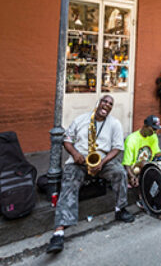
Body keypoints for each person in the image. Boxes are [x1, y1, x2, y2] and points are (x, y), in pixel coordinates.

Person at [46, 96, 133, 254]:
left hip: (102, 162)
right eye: (104, 101)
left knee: (120, 173)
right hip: (79, 162)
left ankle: (121, 209)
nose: (107, 105)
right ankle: (58, 233)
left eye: (110, 104)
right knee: (69, 180)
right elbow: (67, 139)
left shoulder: (114, 124)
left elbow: (117, 147)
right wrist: (75, 153)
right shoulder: (81, 119)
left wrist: (102, 161)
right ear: (99, 103)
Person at [122, 115, 161, 208]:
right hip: (134, 169)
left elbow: (157, 153)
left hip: (147, 167)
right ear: (145, 126)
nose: (154, 132)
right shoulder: (131, 139)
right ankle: (142, 199)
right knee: (144, 164)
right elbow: (126, 164)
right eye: (153, 129)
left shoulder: (153, 136)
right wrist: (132, 176)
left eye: (156, 130)